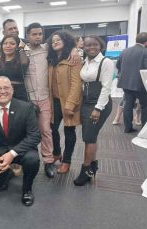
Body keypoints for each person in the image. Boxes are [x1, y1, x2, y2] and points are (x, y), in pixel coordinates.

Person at [23, 23, 80, 178]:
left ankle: (48, 162)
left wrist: (75, 49)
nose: (37, 37)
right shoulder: (21, 51)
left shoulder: (47, 49)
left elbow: (67, 43)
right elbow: (3, 47)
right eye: (34, 34)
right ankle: (26, 161)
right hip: (28, 100)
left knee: (47, 131)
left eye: (40, 34)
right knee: (28, 132)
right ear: (27, 35)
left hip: (45, 98)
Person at [0, 76, 41, 206]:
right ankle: (4, 177)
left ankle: (27, 189)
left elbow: (35, 136)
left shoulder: (26, 108)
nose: (2, 91)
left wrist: (12, 153)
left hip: (20, 150)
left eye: (6, 88)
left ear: (12, 90)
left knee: (33, 160)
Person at [74, 36, 113, 186]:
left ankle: (85, 170)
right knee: (90, 136)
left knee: (89, 138)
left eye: (95, 44)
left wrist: (98, 108)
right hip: (86, 103)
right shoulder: (86, 61)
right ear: (83, 46)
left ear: (100, 45)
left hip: (99, 104)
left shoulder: (106, 62)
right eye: (88, 45)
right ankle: (93, 165)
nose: (92, 47)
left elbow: (106, 88)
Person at [47, 30, 82, 175]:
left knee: (69, 131)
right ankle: (56, 152)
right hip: (54, 101)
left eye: (58, 40)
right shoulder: (51, 59)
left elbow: (76, 84)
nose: (55, 42)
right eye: (53, 41)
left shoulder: (73, 58)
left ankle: (66, 161)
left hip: (68, 102)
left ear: (66, 41)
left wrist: (70, 104)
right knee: (51, 129)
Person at [116, 32, 147, 133]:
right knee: (144, 105)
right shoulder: (145, 51)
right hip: (141, 84)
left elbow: (118, 65)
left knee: (128, 104)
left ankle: (128, 128)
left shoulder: (125, 51)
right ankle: (144, 129)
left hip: (126, 83)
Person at [0, 35, 29, 102]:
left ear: (17, 46)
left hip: (19, 95)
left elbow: (25, 63)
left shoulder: (21, 59)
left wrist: (21, 48)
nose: (8, 46)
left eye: (12, 43)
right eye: (5, 43)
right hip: (2, 94)